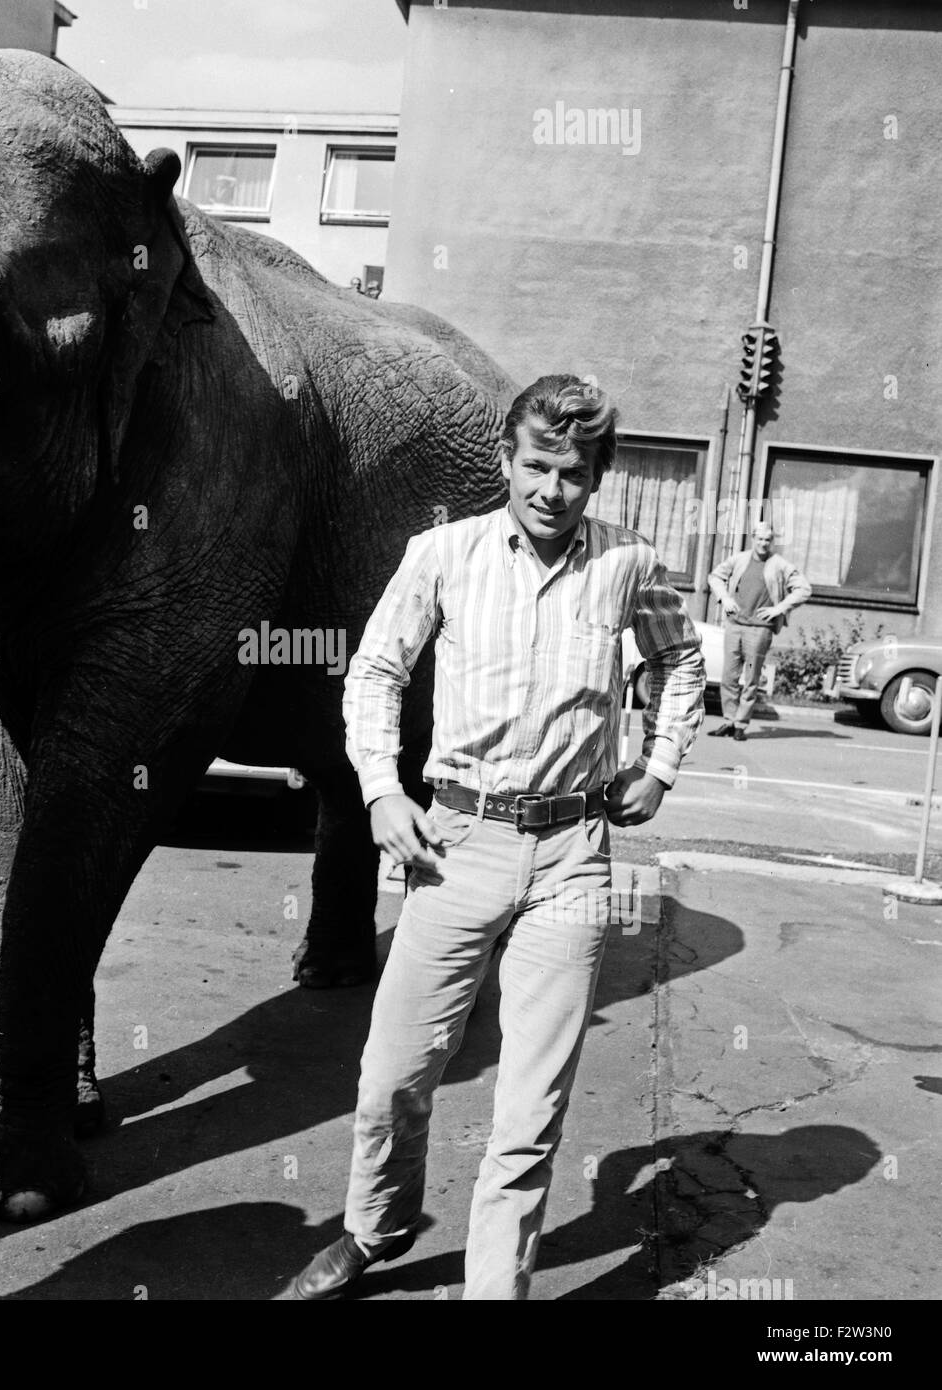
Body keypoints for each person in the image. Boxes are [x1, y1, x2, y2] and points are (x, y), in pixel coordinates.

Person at [292, 374, 705, 1301]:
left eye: (573, 473)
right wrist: (380, 792)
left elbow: (682, 661)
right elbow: (376, 670)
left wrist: (660, 764)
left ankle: (494, 1290)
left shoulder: (630, 565)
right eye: (537, 466)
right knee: (394, 1075)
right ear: (505, 461)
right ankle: (376, 1228)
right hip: (455, 845)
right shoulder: (444, 553)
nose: (552, 490)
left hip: (573, 858)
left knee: (529, 1109)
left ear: (598, 477)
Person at [707, 520, 811, 741]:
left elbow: (804, 589)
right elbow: (715, 576)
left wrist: (779, 608)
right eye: (760, 539)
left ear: (772, 541)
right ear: (753, 538)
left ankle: (740, 725)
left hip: (759, 631)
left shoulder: (779, 564)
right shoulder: (739, 559)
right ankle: (729, 720)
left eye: (768, 540)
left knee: (750, 678)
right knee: (729, 677)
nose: (763, 543)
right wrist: (725, 598)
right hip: (735, 626)